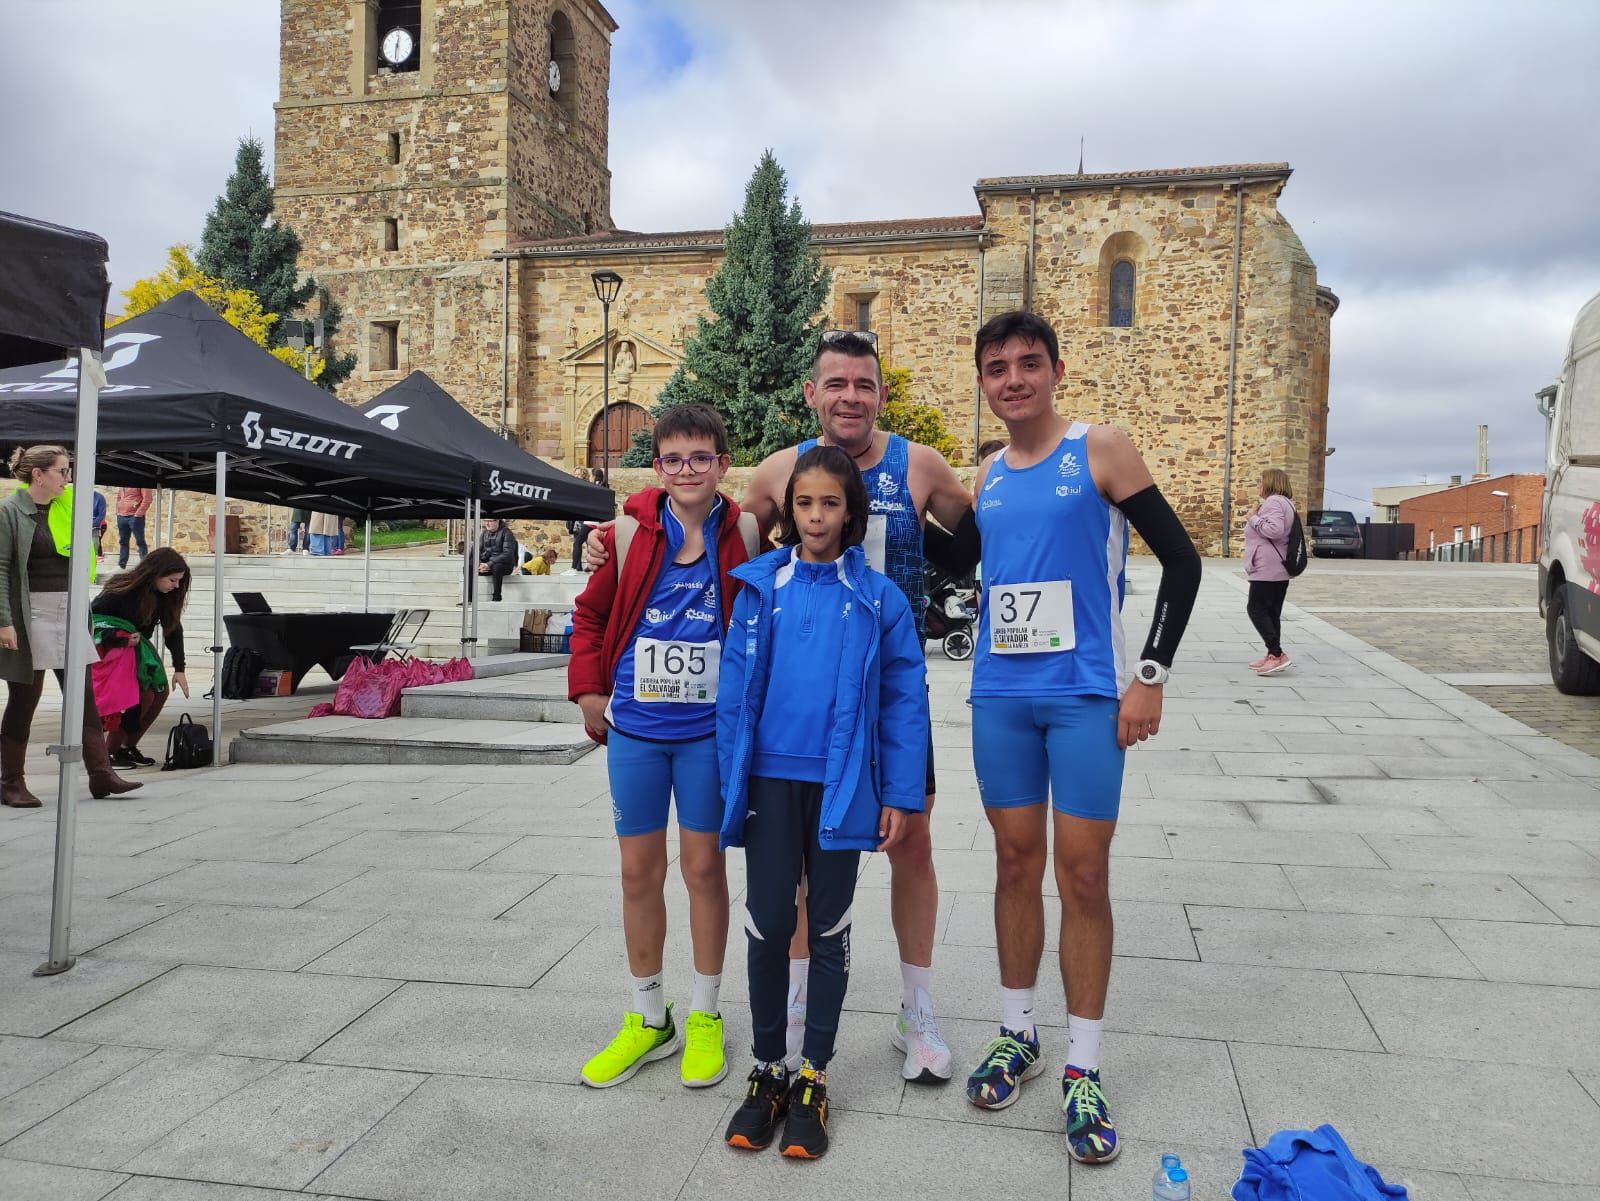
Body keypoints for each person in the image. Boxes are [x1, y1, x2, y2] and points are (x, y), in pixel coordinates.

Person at [591, 331, 975, 1084]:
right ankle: (795, 1003)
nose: (850, 396)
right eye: (836, 383)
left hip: (883, 679)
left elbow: (976, 538)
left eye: (863, 384)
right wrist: (618, 532)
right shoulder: (779, 469)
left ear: (881, 393)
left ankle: (915, 1008)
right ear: (813, 393)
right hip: (797, 703)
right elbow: (708, 519)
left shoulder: (920, 464)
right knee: (793, 863)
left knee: (913, 840)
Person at [961, 312, 1200, 1166]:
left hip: (1086, 698)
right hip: (1001, 697)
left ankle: (1084, 1063)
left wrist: (1151, 674)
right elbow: (967, 567)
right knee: (1015, 864)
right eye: (997, 367)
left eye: (1028, 364)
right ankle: (1018, 1029)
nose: (1013, 378)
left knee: (1085, 872)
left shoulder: (1101, 448)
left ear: (1056, 370)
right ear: (983, 382)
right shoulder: (985, 473)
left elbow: (1182, 559)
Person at [719, 445, 928, 1159]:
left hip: (845, 787)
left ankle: (813, 1074)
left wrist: (899, 790)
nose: (815, 515)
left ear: (851, 512)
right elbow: (732, 694)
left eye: (830, 503)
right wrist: (730, 780)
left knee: (830, 926)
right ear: (788, 509)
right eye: (804, 502)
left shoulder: (879, 598)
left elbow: (905, 702)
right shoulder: (759, 586)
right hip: (770, 784)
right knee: (767, 921)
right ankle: (769, 1066)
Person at [567, 404, 757, 1094]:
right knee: (638, 871)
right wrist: (589, 691)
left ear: (721, 464)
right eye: (673, 459)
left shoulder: (746, 532)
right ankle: (650, 1015)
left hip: (707, 734)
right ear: (658, 466)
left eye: (700, 458)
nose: (687, 470)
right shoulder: (625, 533)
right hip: (638, 731)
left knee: (704, 869)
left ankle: (704, 1011)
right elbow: (589, 615)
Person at [2, 446, 142, 806]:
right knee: (24, 701)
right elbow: (0, 570)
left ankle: (101, 774)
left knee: (83, 697)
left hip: (69, 609)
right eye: (62, 471)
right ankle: (10, 781)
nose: (68, 478)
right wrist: (4, 622)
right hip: (29, 613)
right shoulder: (9, 511)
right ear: (38, 474)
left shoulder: (70, 507)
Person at [91, 548, 190, 769]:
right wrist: (119, 638)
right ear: (156, 573)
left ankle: (128, 746)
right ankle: (110, 752)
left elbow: (173, 629)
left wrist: (180, 668)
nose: (176, 586)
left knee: (160, 693)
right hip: (116, 655)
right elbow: (92, 620)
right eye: (172, 580)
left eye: (179, 581)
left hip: (139, 652)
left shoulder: (167, 597)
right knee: (140, 697)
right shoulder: (119, 590)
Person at [1244, 468, 1295, 675]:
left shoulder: (1274, 502)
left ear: (1270, 483)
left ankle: (1276, 654)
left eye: (1260, 481)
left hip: (1268, 567)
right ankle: (1272, 655)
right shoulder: (1286, 503)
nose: (1258, 485)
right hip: (1278, 567)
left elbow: (1274, 530)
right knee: (1271, 612)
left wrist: (1252, 517)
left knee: (1255, 609)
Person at [473, 517, 518, 601]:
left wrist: (489, 564)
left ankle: (497, 597)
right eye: (485, 521)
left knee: (497, 567)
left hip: (505, 566)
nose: (486, 523)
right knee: (468, 567)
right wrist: (480, 564)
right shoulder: (484, 533)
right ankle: (469, 598)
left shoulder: (507, 533)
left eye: (489, 521)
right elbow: (477, 552)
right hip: (487, 565)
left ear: (497, 521)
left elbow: (508, 553)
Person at [115, 486, 152, 567]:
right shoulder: (123, 483)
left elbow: (147, 499)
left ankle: (144, 566)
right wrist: (118, 511)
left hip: (135, 517)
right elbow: (118, 497)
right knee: (123, 541)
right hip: (121, 516)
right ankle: (121, 565)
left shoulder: (142, 481)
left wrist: (138, 514)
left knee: (140, 541)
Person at [92, 489, 108, 558]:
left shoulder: (100, 498)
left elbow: (101, 516)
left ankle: (96, 558)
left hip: (98, 526)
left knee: (94, 544)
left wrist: (90, 525)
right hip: (85, 526)